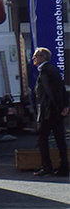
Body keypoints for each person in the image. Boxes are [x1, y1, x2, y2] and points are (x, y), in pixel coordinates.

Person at [31, 47, 69, 177]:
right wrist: (65, 107)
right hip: (56, 112)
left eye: (35, 56)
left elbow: (52, 92)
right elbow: (62, 89)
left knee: (42, 139)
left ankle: (47, 166)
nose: (33, 59)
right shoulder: (53, 70)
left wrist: (60, 108)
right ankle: (64, 167)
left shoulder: (45, 72)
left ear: (43, 57)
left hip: (48, 113)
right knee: (60, 140)